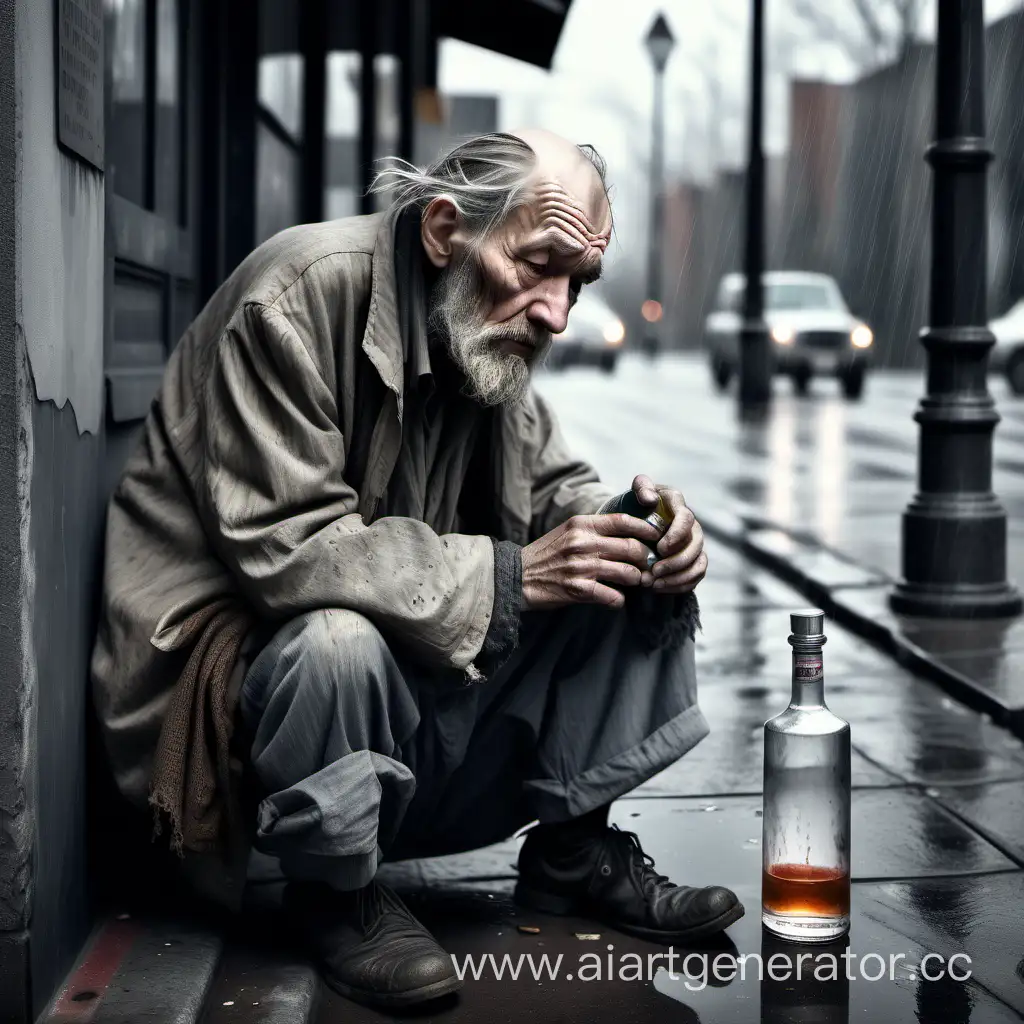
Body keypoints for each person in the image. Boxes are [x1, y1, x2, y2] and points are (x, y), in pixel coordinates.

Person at [91, 129, 743, 1010]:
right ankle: (339, 893)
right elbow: (289, 548)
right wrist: (510, 578)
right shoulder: (295, 296)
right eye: (540, 265)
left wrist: (649, 530)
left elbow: (558, 486)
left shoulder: (479, 323)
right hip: (238, 725)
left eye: (577, 283)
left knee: (616, 556)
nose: (556, 312)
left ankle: (572, 852)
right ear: (445, 230)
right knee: (336, 639)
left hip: (401, 718)